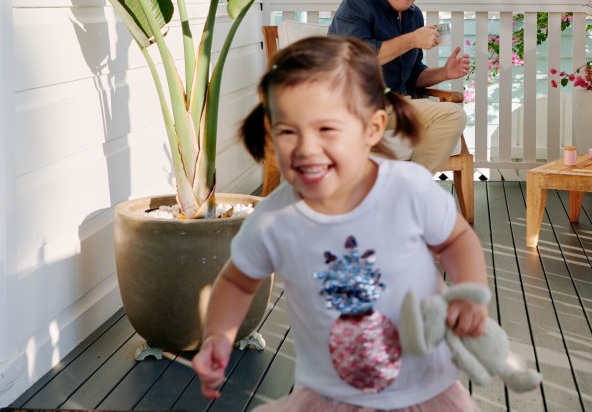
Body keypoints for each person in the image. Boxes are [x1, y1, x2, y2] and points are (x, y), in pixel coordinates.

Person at [192, 36, 487, 411]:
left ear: (372, 128)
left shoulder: (407, 189)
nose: (306, 148)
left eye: (326, 129)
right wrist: (218, 334)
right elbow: (237, 280)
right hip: (331, 398)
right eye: (287, 131)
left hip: (425, 392)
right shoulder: (274, 219)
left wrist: (470, 292)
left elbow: (456, 240)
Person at [328, 0, 470, 174]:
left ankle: (410, 185)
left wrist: (444, 72)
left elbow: (413, 74)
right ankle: (402, 190)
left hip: (398, 105)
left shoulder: (414, 14)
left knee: (453, 114)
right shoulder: (356, 4)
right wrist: (413, 39)